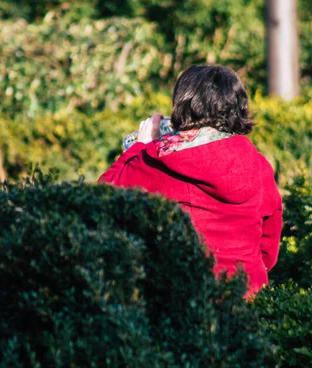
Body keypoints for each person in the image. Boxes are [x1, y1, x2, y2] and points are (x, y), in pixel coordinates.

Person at [99, 65, 283, 296]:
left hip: (184, 302)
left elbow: (102, 195)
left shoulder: (157, 157)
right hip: (249, 297)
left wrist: (141, 146)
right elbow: (269, 241)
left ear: (183, 103)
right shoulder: (259, 164)